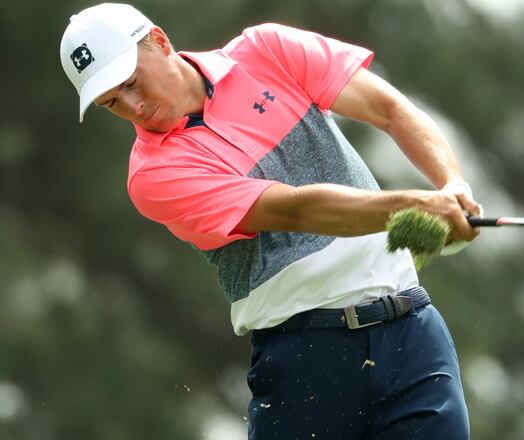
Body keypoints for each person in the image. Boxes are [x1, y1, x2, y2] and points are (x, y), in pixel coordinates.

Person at [60, 3, 481, 439]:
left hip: (412, 335)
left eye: (131, 82)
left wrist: (453, 187)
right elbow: (295, 209)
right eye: (112, 102)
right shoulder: (153, 175)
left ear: (161, 41)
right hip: (307, 359)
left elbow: (388, 108)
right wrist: (414, 208)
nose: (133, 106)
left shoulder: (266, 50)